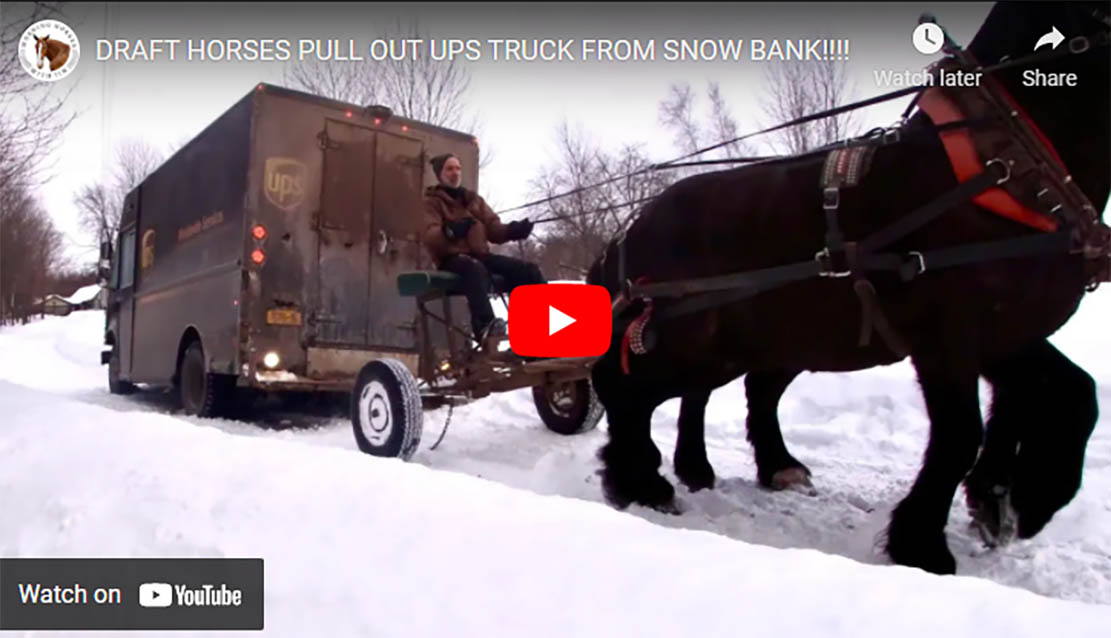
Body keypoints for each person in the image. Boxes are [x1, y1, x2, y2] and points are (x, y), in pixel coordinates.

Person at [422, 152, 546, 341]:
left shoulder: (473, 200)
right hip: (453, 260)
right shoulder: (432, 203)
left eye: (457, 168)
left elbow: (494, 229)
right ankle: (486, 327)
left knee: (528, 271)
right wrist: (450, 231)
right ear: (440, 174)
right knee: (475, 269)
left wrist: (513, 230)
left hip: (480, 256)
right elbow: (430, 236)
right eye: (449, 169)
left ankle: (535, 333)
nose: (455, 173)